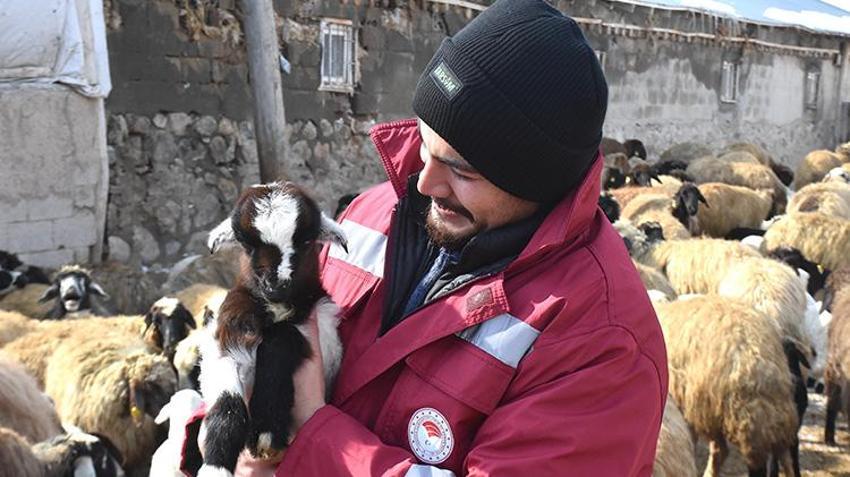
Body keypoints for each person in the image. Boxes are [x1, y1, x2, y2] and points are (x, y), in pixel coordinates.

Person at [180, 0, 668, 474]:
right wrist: (211, 441)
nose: (423, 183)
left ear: (534, 180)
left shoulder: (600, 342)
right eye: (425, 143)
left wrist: (315, 436)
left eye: (461, 169)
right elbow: (261, 337)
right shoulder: (370, 219)